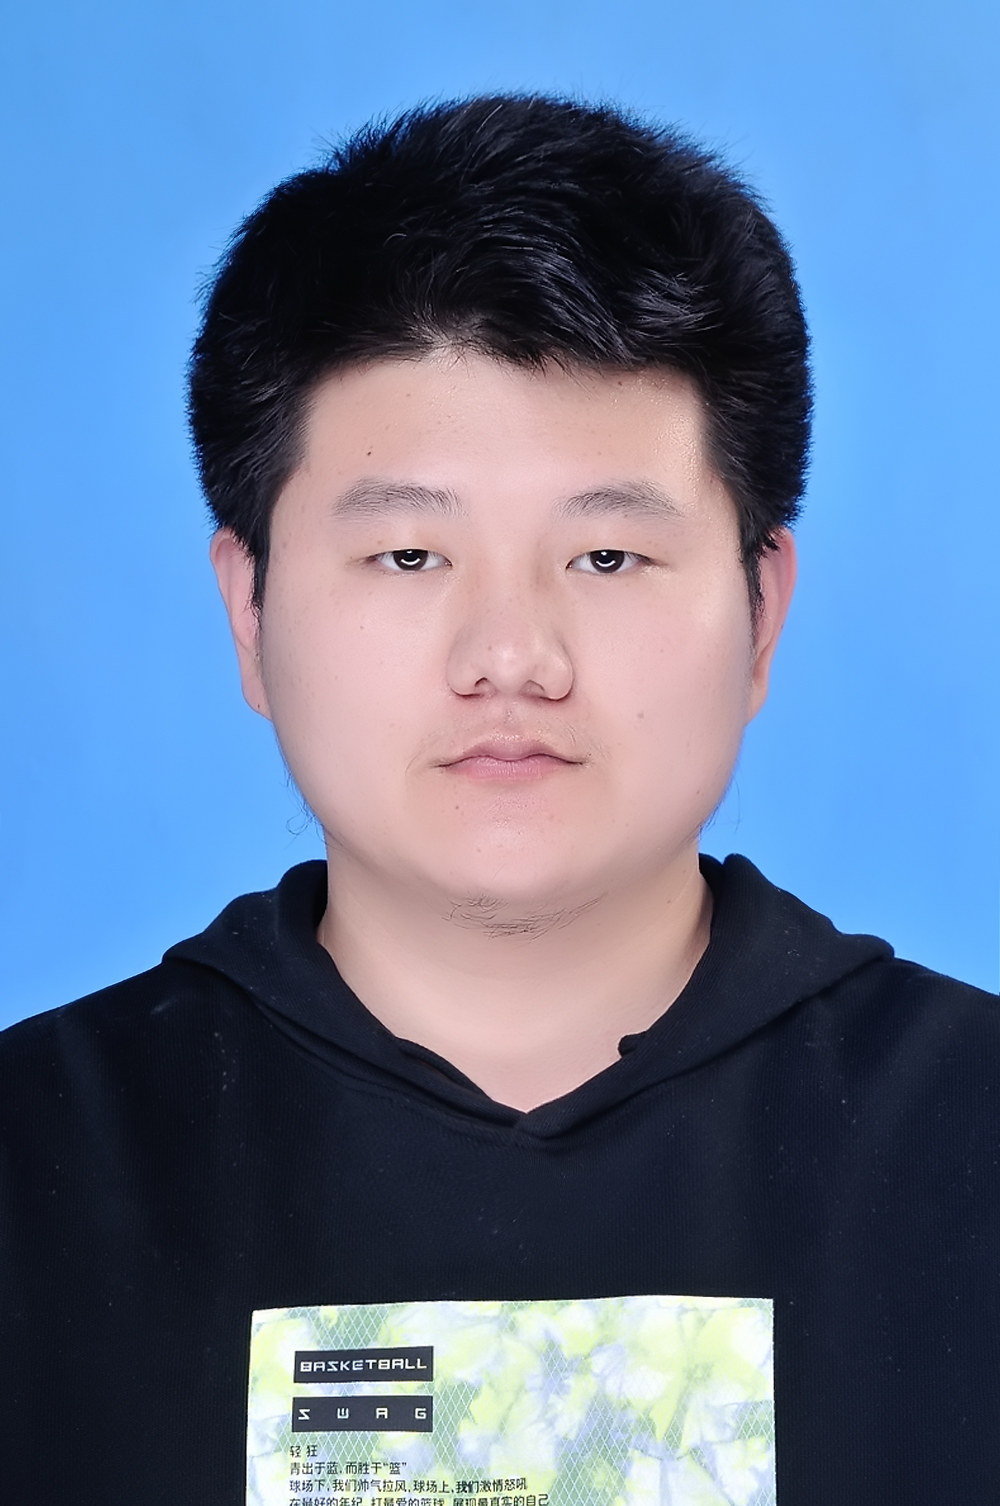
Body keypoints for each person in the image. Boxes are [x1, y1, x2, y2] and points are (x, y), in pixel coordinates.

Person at [1, 94, 996, 1506]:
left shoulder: (968, 1135)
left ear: (762, 611)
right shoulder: (40, 1160)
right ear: (250, 610)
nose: (512, 656)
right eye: (410, 556)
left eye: (607, 558)